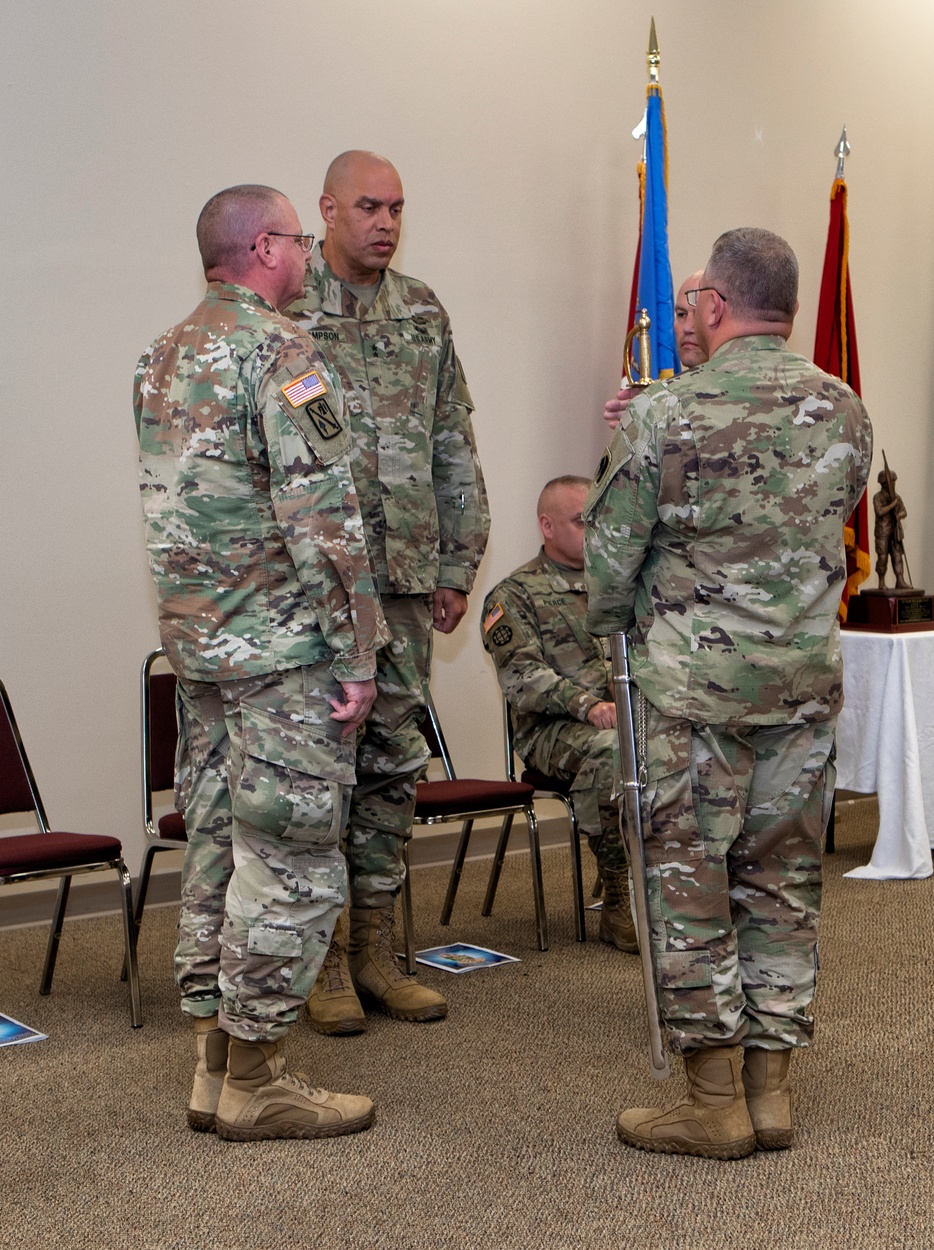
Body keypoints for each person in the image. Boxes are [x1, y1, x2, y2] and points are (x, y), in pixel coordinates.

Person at [585, 227, 872, 1159]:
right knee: (784, 882)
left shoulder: (663, 415)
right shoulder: (844, 409)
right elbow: (838, 515)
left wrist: (625, 611)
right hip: (800, 691)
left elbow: (608, 562)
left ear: (714, 306)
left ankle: (713, 1103)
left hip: (691, 701)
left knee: (691, 885)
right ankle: (772, 1092)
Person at [135, 184, 389, 1141]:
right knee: (288, 860)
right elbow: (323, 513)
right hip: (284, 656)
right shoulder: (285, 352)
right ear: (265, 247)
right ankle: (259, 1078)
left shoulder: (158, 357)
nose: (304, 255)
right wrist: (359, 647)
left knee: (215, 851)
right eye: (293, 237)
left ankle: (212, 1064)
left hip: (200, 656)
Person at [285, 151, 490, 1034]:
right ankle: (324, 963)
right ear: (326, 208)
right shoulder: (289, 317)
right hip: (325, 586)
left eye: (398, 208)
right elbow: (291, 452)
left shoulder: (423, 311)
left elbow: (453, 438)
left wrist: (457, 561)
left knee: (393, 768)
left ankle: (374, 952)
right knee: (326, 766)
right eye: (369, 206)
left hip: (407, 578)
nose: (386, 223)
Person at [480, 476, 636, 952]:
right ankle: (618, 899)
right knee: (615, 751)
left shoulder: (618, 589)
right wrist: (589, 707)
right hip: (552, 733)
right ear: (547, 526)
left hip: (627, 718)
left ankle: (680, 891)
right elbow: (522, 677)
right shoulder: (514, 595)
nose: (595, 530)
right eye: (581, 520)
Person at [602, 271, 709, 430]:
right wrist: (653, 418)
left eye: (699, 314)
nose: (687, 327)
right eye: (681, 314)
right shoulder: (668, 399)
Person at [873, 467, 910, 590]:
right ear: (884, 484)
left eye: (894, 481)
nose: (893, 484)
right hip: (882, 532)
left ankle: (900, 580)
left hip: (895, 532)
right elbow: (879, 512)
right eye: (891, 482)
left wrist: (898, 515)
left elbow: (904, 511)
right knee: (882, 557)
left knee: (897, 556)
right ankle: (881, 582)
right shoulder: (878, 497)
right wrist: (892, 506)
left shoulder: (897, 497)